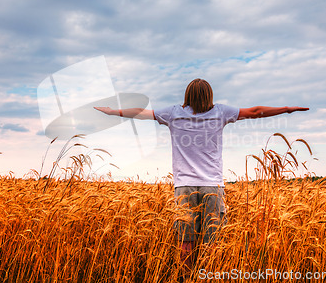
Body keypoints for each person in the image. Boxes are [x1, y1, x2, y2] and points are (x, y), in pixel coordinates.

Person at [94, 78, 308, 272]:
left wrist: (113, 112)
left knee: (186, 241)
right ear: (209, 96)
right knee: (212, 240)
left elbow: (141, 113)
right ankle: (207, 274)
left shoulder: (173, 113)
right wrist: (286, 109)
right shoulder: (221, 112)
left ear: (187, 95)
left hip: (184, 186)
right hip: (213, 186)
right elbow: (255, 111)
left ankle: (187, 277)